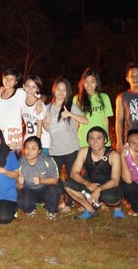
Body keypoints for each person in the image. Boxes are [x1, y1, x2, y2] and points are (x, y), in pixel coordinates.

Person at [44, 77, 88, 212]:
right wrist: (46, 122)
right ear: (54, 90)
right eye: (58, 89)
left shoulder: (71, 106)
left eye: (64, 90)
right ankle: (62, 198)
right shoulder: (48, 108)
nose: (61, 92)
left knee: (72, 177)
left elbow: (85, 120)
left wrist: (70, 114)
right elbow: (46, 129)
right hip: (55, 150)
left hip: (71, 149)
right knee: (55, 178)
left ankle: (69, 204)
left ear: (68, 92)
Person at [64, 127, 124, 219]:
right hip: (91, 184)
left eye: (99, 138)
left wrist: (99, 189)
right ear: (88, 141)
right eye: (91, 138)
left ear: (105, 140)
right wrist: (86, 183)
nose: (95, 141)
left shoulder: (113, 155)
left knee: (111, 198)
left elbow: (115, 181)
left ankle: (118, 207)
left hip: (108, 186)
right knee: (68, 184)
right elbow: (74, 173)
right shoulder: (84, 151)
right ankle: (90, 210)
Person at [17, 136, 60, 220]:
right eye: (27, 148)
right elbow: (16, 184)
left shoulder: (48, 160)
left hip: (45, 188)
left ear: (39, 150)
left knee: (54, 190)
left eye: (33, 148)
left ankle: (51, 210)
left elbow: (55, 180)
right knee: (18, 195)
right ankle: (30, 209)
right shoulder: (20, 162)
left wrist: (41, 180)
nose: (29, 151)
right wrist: (19, 183)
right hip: (29, 189)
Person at [74, 68, 114, 148]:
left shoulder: (104, 97)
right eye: (86, 82)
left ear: (97, 82)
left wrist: (107, 138)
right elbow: (75, 122)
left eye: (92, 81)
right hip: (83, 140)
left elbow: (106, 121)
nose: (89, 85)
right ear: (82, 83)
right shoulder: (77, 99)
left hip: (101, 139)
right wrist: (74, 140)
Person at [0, 68, 27, 152]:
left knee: (12, 162)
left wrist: (39, 101)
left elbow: (37, 96)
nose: (8, 81)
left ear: (16, 82)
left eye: (11, 79)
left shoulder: (20, 93)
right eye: (6, 78)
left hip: (13, 137)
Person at [21, 75, 46, 152]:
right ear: (24, 86)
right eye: (28, 86)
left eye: (34, 87)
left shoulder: (39, 105)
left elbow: (39, 127)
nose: (30, 89)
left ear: (37, 89)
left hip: (41, 142)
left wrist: (37, 145)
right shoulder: (22, 100)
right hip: (28, 140)